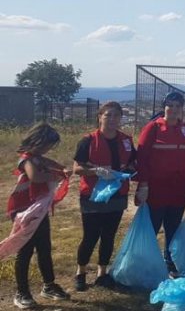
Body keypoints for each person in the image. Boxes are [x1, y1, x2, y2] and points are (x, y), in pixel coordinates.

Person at [72, 101, 136, 291]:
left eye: (116, 115)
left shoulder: (126, 140)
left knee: (109, 235)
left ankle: (102, 273)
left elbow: (133, 162)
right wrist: (97, 171)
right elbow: (77, 168)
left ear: (120, 118)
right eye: (108, 115)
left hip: (117, 195)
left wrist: (130, 170)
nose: (112, 119)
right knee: (91, 236)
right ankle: (80, 272)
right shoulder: (88, 140)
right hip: (93, 196)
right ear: (100, 117)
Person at [7, 123, 71, 309]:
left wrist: (61, 167)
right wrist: (54, 176)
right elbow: (35, 176)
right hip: (23, 212)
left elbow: (48, 162)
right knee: (25, 251)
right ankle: (22, 292)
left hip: (38, 210)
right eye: (46, 146)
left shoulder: (37, 157)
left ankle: (49, 285)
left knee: (44, 247)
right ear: (37, 141)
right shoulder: (27, 159)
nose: (47, 149)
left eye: (49, 147)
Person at [136, 91, 185, 277]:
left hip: (177, 190)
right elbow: (142, 158)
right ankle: (146, 263)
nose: (174, 110)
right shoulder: (153, 128)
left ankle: (170, 261)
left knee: (173, 228)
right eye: (170, 105)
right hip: (156, 190)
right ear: (164, 107)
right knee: (152, 227)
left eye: (178, 106)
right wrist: (143, 184)